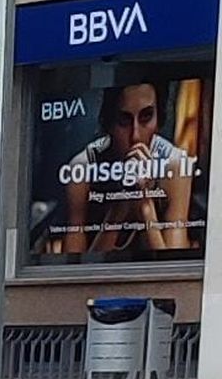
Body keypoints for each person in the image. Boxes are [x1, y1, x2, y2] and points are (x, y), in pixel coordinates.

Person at [61, 81, 197, 260]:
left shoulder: (175, 165)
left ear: (159, 121)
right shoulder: (81, 169)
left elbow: (173, 266)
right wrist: (121, 205)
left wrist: (145, 206)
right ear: (108, 124)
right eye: (124, 121)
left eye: (146, 117)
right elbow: (75, 269)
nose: (135, 135)